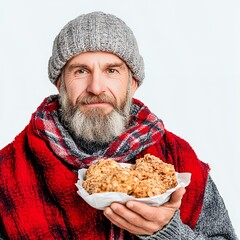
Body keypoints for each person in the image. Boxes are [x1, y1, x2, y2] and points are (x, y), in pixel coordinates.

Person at [0, 11, 238, 240]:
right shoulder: (8, 171)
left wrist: (168, 232)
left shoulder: (178, 160)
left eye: (111, 70)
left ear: (132, 83)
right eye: (81, 71)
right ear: (60, 83)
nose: (96, 87)